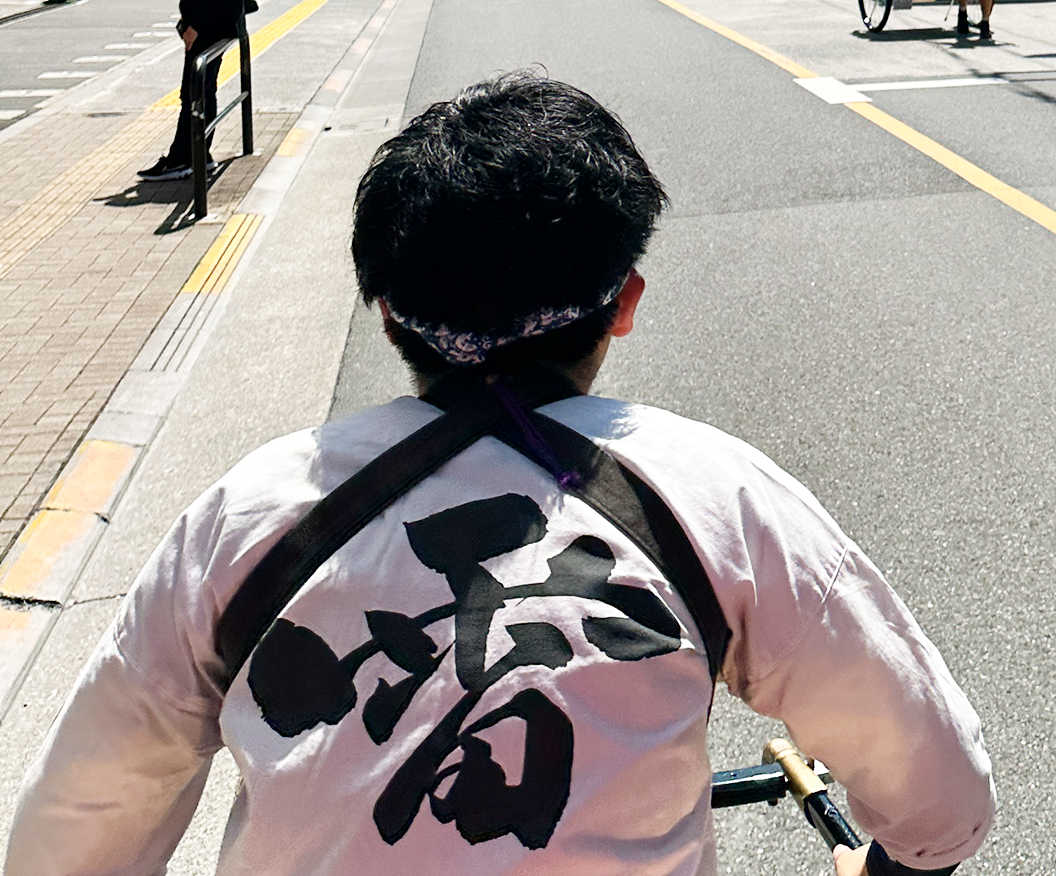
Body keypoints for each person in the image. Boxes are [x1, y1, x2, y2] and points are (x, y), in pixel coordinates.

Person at [7, 74, 998, 876]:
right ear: (625, 305)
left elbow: (78, 827)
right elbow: (940, 797)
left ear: (387, 316)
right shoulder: (716, 500)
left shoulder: (247, 516)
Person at [139, 0, 246, 183]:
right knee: (201, 91)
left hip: (207, 32)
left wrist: (194, 27)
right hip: (210, 29)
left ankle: (183, 159)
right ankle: (200, 154)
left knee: (194, 94)